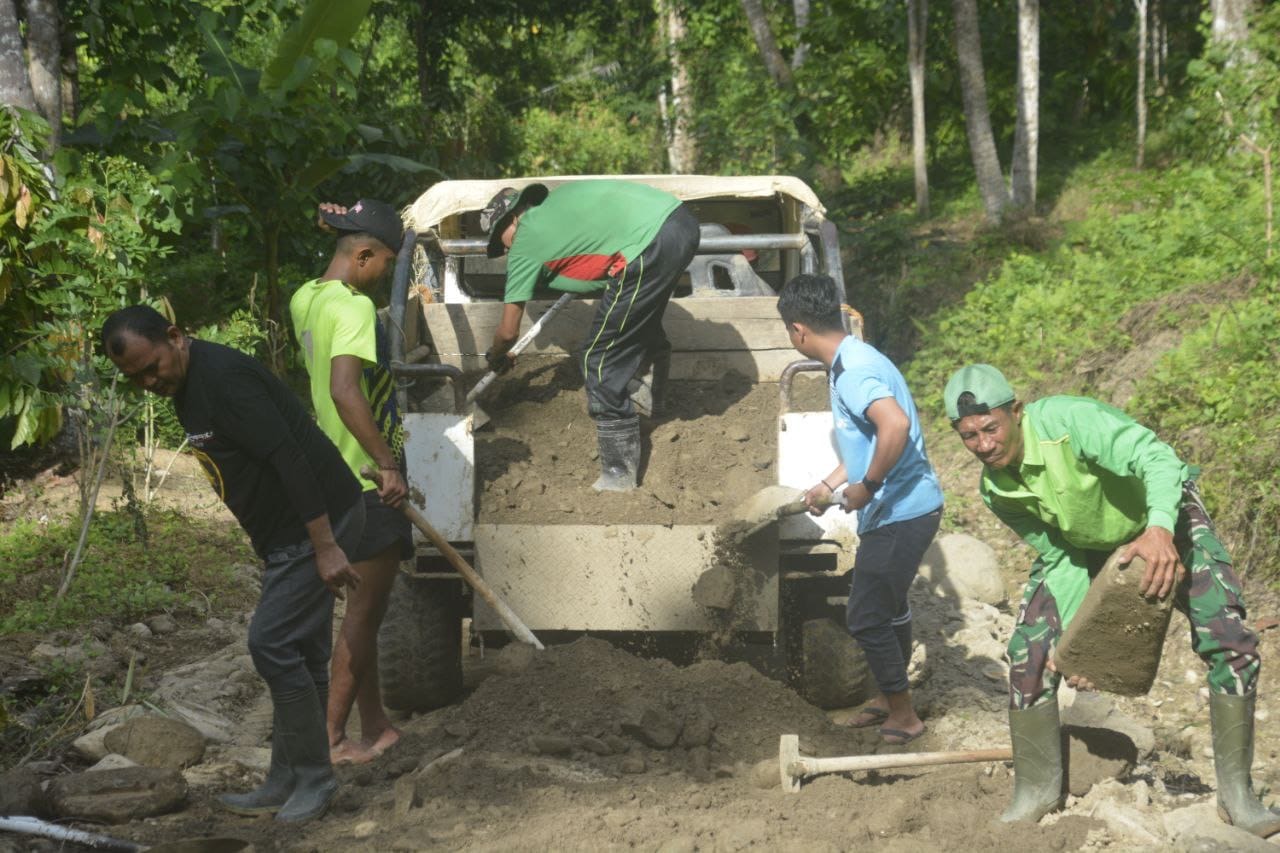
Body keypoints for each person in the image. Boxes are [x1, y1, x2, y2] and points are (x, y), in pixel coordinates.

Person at [943, 364, 1276, 833]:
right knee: (1029, 655)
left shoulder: (1068, 422)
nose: (984, 444)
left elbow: (1158, 458)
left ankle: (1238, 798)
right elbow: (1058, 556)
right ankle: (1036, 791)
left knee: (1230, 638)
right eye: (969, 436)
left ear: (1016, 412)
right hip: (1083, 546)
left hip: (1164, 517)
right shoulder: (997, 489)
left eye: (991, 428)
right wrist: (1082, 643)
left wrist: (1159, 530)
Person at [101, 305, 363, 822]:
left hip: (316, 525)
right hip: (291, 533)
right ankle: (287, 778)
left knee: (270, 643)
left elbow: (290, 456)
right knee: (303, 654)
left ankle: (315, 778)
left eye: (153, 366)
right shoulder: (186, 387)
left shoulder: (222, 380)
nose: (150, 382)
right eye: (136, 379)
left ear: (175, 336)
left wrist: (325, 545)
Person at [778, 274, 944, 745]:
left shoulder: (854, 372)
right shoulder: (852, 358)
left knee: (866, 617)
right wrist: (831, 483)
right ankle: (886, 697)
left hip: (900, 511)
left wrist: (867, 487)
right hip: (906, 507)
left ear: (798, 331)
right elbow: (867, 439)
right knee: (889, 609)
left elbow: (894, 424)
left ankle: (904, 716)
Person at [288, 198, 412, 765]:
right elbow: (344, 391)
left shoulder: (305, 298)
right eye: (384, 261)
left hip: (331, 475)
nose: (386, 272)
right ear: (362, 254)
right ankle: (331, 741)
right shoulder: (355, 309)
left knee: (363, 612)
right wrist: (388, 464)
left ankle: (377, 725)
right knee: (363, 620)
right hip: (366, 478)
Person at [480, 179, 700, 491]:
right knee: (637, 322)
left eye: (500, 242)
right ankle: (650, 403)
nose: (504, 250)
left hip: (648, 244)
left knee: (599, 359)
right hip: (681, 223)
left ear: (513, 218)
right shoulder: (561, 206)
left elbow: (507, 331)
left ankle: (618, 474)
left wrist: (497, 356)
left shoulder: (525, 240)